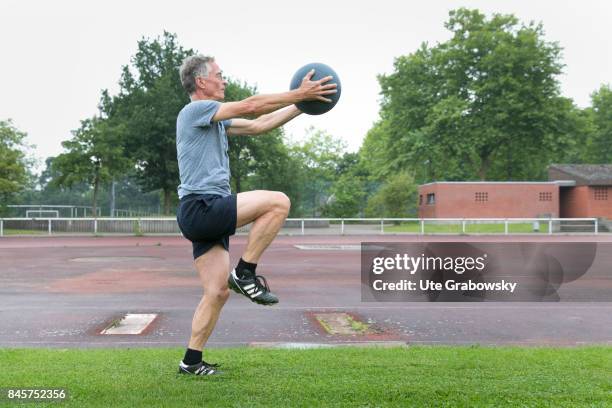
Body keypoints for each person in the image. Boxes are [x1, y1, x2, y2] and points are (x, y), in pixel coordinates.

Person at [175, 55, 337, 375]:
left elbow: (261, 124)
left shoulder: (216, 119)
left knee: (217, 292)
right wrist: (297, 94)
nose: (224, 80)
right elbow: (251, 107)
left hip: (203, 212)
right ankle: (245, 272)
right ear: (200, 82)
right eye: (219, 76)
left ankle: (190, 362)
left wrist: (304, 104)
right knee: (278, 203)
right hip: (202, 206)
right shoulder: (195, 111)